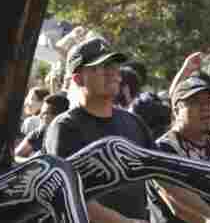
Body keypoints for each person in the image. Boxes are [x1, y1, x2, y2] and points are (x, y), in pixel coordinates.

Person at [44, 37, 154, 223]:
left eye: (114, 66)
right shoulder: (65, 127)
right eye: (100, 67)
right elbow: (67, 194)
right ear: (78, 79)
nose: (112, 73)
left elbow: (164, 178)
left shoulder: (134, 122)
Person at [149, 76, 210, 223]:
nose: (205, 107)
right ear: (177, 110)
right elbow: (176, 202)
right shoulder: (162, 150)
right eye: (195, 102)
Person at [15, 93, 68, 159]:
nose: (40, 116)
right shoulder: (41, 131)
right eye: (41, 113)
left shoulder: (69, 134)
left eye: (44, 113)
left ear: (57, 116)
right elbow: (17, 155)